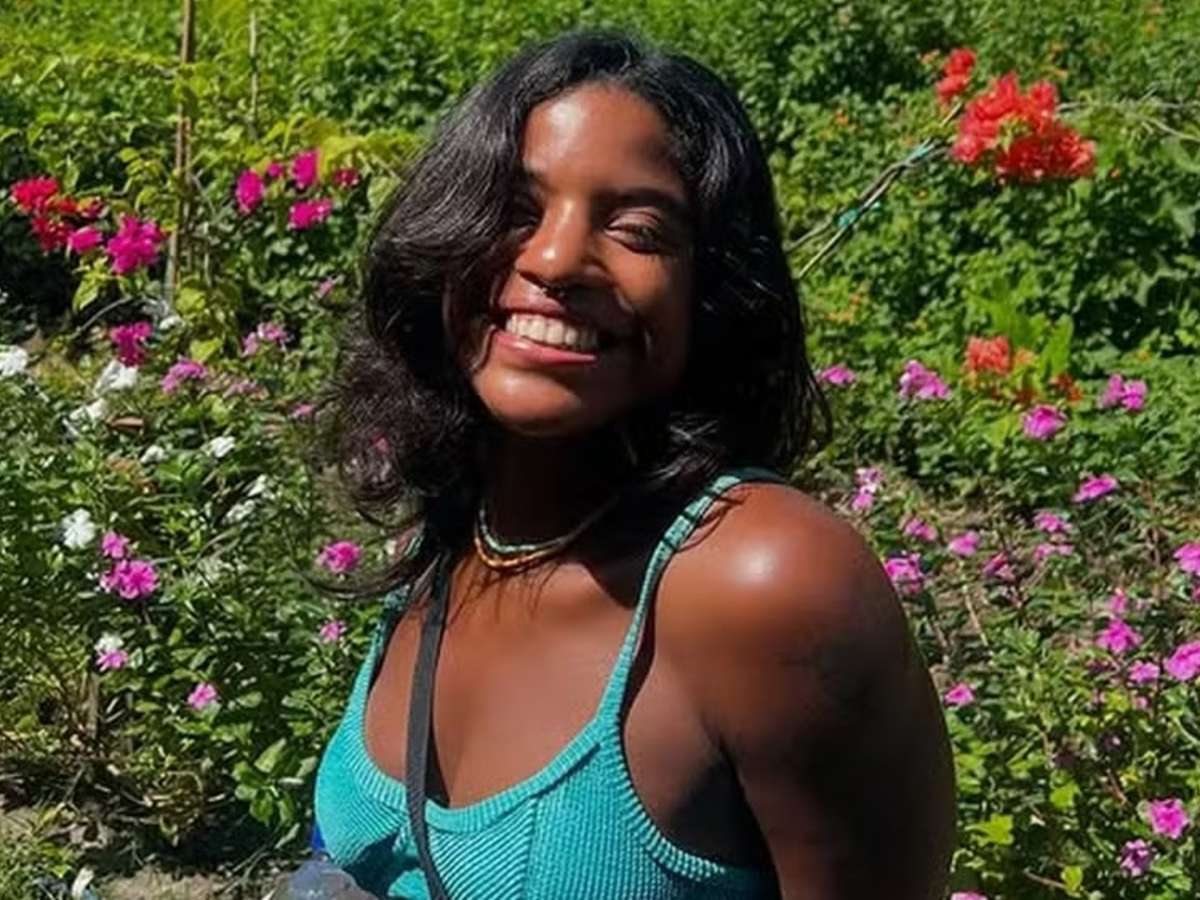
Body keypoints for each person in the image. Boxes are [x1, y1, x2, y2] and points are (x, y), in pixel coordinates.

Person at [311, 29, 955, 900]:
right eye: (514, 208)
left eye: (638, 230)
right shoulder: (464, 527)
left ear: (712, 295)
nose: (553, 259)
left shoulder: (761, 585)